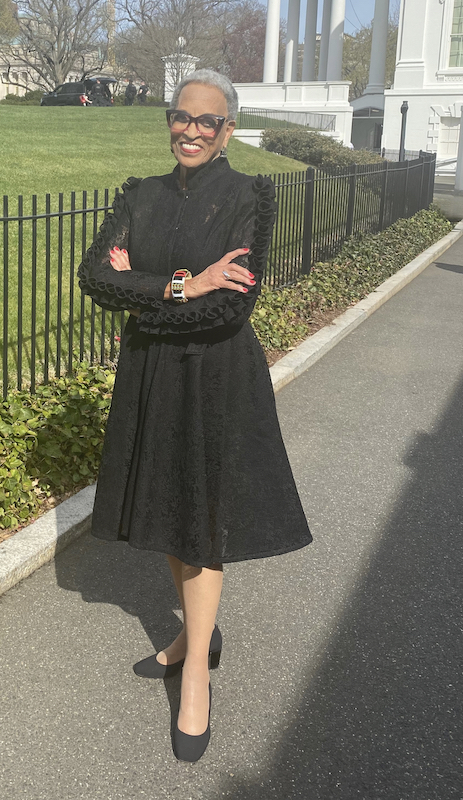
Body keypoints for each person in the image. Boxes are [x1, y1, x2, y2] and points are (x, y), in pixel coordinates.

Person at [78, 69, 312, 763]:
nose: (190, 129)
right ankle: (191, 636)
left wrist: (143, 293)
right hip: (151, 372)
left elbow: (229, 307)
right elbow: (95, 277)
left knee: (201, 515)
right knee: (172, 507)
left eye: (206, 120)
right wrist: (182, 284)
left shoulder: (246, 196)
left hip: (214, 376)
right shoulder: (140, 195)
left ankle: (194, 686)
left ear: (227, 130)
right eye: (180, 116)